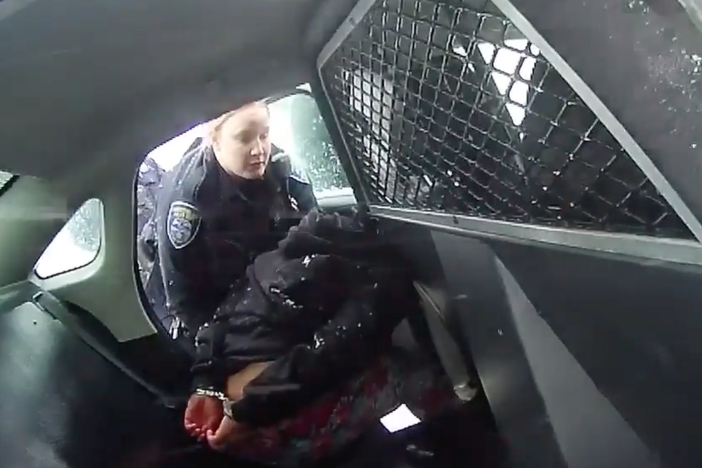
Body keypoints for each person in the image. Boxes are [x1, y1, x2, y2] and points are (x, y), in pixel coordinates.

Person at [183, 209, 464, 467]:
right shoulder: (273, 275)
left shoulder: (300, 291)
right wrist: (208, 387)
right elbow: (219, 322)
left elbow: (328, 352)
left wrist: (244, 409)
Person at [145, 101, 318, 338]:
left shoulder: (280, 166)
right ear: (215, 140)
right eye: (244, 138)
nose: (259, 149)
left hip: (263, 284)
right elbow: (184, 302)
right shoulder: (188, 200)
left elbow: (318, 230)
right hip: (204, 304)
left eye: (264, 135)